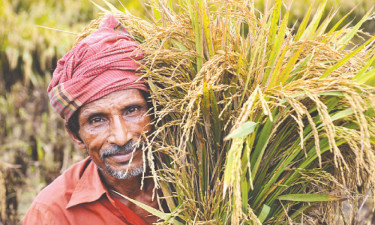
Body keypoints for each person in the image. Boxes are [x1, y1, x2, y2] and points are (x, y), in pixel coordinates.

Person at [23, 14, 160, 225]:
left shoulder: (203, 182)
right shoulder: (53, 214)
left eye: (132, 110)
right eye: (97, 120)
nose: (121, 137)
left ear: (155, 113)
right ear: (76, 134)